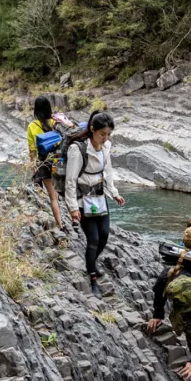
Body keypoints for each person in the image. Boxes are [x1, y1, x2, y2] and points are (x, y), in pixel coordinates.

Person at [63, 110, 125, 296]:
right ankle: (92, 278)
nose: (105, 138)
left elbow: (108, 172)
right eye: (102, 134)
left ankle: (91, 263)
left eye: (108, 134)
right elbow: (70, 180)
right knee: (93, 240)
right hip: (83, 200)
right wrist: (73, 208)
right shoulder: (78, 149)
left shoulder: (106, 147)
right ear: (92, 130)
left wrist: (114, 193)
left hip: (99, 198)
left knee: (104, 235)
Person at [27, 95, 66, 228]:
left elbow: (32, 150)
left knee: (53, 196)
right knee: (64, 192)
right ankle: (75, 219)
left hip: (43, 162)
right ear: (49, 108)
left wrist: (33, 167)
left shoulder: (32, 126)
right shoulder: (56, 123)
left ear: (36, 110)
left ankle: (60, 225)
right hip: (58, 160)